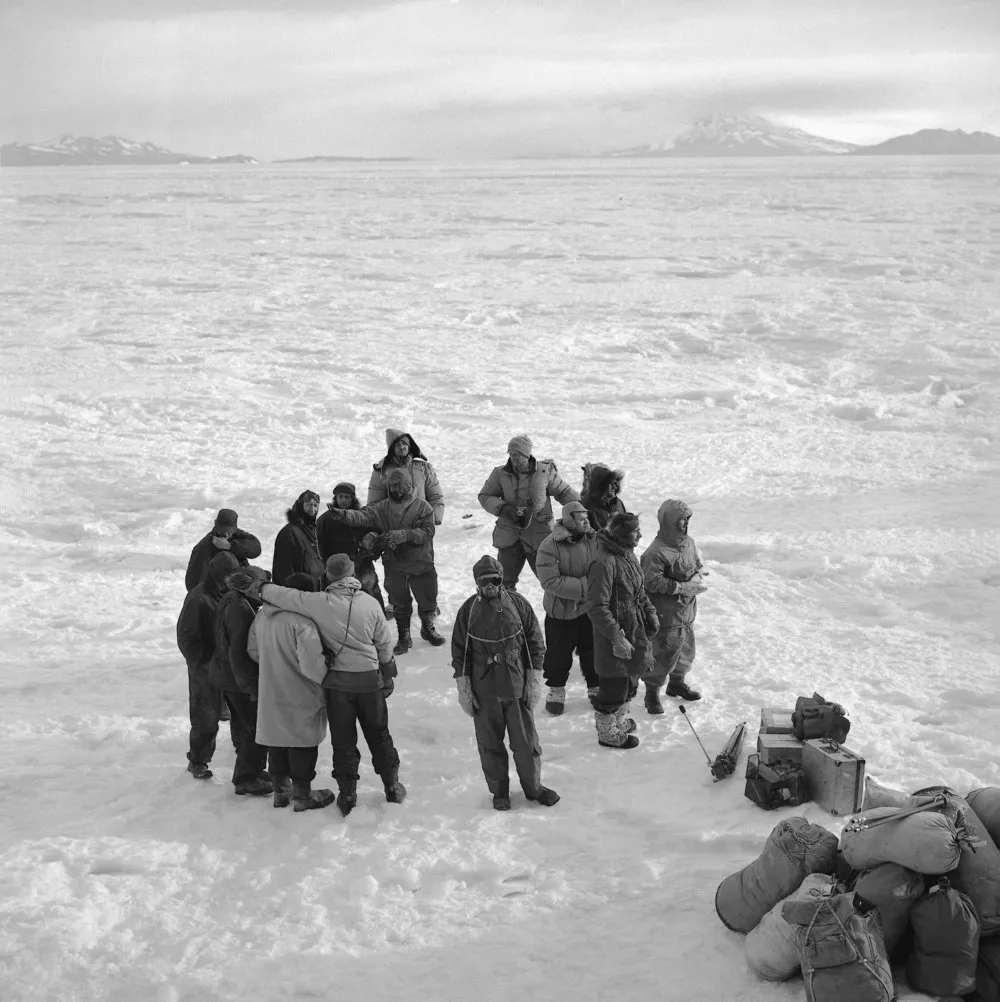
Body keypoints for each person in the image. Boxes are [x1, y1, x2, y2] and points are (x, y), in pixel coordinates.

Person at [234, 554, 403, 817]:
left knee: (343, 743)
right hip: (368, 682)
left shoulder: (318, 603)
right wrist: (388, 676)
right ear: (352, 573)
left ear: (328, 576)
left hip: (338, 687)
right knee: (379, 735)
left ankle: (347, 794)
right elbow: (384, 644)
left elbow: (285, 596)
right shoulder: (371, 603)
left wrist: (256, 587)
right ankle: (391, 786)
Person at [451, 555, 559, 811]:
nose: (490, 586)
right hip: (484, 691)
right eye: (484, 581)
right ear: (477, 583)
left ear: (502, 580)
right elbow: (460, 653)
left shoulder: (519, 605)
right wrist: (465, 689)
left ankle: (534, 788)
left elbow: (535, 643)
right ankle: (499, 792)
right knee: (490, 745)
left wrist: (533, 679)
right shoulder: (468, 611)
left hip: (516, 687)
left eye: (495, 580)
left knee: (526, 744)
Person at [324, 467, 444, 656]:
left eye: (397, 485)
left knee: (427, 597)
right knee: (399, 600)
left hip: (421, 562)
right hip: (395, 563)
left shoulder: (423, 507)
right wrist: (345, 515)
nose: (393, 489)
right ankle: (404, 635)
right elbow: (364, 515)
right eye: (391, 486)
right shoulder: (383, 507)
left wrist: (405, 535)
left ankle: (428, 628)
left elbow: (428, 532)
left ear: (406, 485)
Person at [247, 572, 335, 812]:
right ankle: (303, 796)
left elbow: (253, 650)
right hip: (300, 691)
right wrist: (327, 683)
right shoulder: (303, 622)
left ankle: (281, 792)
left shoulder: (262, 616)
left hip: (271, 688)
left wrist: (272, 664)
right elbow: (312, 666)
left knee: (277, 740)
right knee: (301, 743)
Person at [586, 512, 659, 750]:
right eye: (635, 531)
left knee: (630, 681)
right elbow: (597, 607)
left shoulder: (628, 554)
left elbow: (640, 592)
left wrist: (650, 612)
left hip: (635, 629)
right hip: (614, 636)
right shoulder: (604, 562)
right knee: (614, 686)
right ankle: (606, 731)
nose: (640, 535)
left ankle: (618, 720)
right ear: (622, 534)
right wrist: (617, 637)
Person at [477, 435, 580, 590]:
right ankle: (507, 606)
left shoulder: (544, 472)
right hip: (509, 537)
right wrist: (504, 509)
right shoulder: (499, 473)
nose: (513, 458)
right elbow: (485, 495)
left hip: (540, 537)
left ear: (526, 455)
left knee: (552, 582)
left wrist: (581, 510)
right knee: (504, 584)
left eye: (517, 454)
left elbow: (564, 492)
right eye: (510, 454)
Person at [210, 566, 273, 797]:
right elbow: (238, 652)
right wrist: (250, 686)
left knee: (242, 725)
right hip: (238, 681)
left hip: (226, 676)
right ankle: (248, 778)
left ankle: (249, 770)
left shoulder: (231, 599)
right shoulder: (241, 611)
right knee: (256, 728)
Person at [640, 499, 708, 711]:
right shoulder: (655, 552)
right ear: (669, 521)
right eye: (681, 520)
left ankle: (677, 683)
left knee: (686, 651)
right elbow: (651, 582)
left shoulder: (689, 543)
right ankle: (652, 693)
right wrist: (681, 587)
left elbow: (696, 563)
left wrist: (697, 575)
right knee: (663, 654)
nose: (685, 523)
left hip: (686, 610)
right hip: (666, 615)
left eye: (687, 519)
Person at [176, 550, 238, 779]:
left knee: (237, 713)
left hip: (226, 663)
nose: (230, 580)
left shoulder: (227, 593)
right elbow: (186, 639)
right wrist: (205, 662)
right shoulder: (199, 598)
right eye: (227, 576)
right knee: (205, 718)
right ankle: (198, 760)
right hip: (206, 667)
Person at [534, 500, 600, 714]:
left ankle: (595, 686)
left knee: (592, 650)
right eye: (581, 519)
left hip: (589, 610)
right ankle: (556, 689)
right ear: (570, 520)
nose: (586, 522)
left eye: (587, 518)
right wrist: (588, 587)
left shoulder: (594, 539)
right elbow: (550, 581)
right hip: (560, 612)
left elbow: (604, 567)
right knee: (558, 654)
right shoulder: (550, 545)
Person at [316, 481, 387, 613]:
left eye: (347, 497)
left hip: (363, 566)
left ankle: (379, 620)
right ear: (335, 498)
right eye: (340, 497)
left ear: (353, 498)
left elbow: (377, 531)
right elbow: (321, 548)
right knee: (340, 605)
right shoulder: (325, 520)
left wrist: (372, 535)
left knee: (373, 599)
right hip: (339, 569)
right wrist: (328, 568)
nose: (343, 500)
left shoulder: (362, 516)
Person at [368, 428, 445, 525]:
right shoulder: (382, 470)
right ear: (392, 449)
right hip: (392, 527)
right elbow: (374, 503)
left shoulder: (424, 468)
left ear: (409, 445)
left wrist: (432, 520)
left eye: (404, 443)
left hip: (420, 526)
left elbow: (436, 497)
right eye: (397, 445)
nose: (401, 447)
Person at [185, 508, 261, 592]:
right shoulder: (204, 547)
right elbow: (194, 584)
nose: (226, 535)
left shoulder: (236, 535)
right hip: (218, 593)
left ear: (235, 528)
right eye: (223, 531)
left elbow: (256, 549)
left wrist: (230, 546)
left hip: (241, 587)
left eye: (229, 531)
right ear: (215, 525)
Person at [271, 490, 325, 587]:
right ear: (300, 506)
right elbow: (283, 571)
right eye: (308, 505)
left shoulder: (311, 530)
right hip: (298, 592)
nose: (312, 509)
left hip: (313, 589)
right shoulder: (289, 532)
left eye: (315, 505)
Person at [580, 464, 627, 532]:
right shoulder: (586, 507)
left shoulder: (617, 502)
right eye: (610, 484)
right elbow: (590, 536)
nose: (615, 487)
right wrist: (610, 523)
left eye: (615, 483)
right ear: (601, 486)